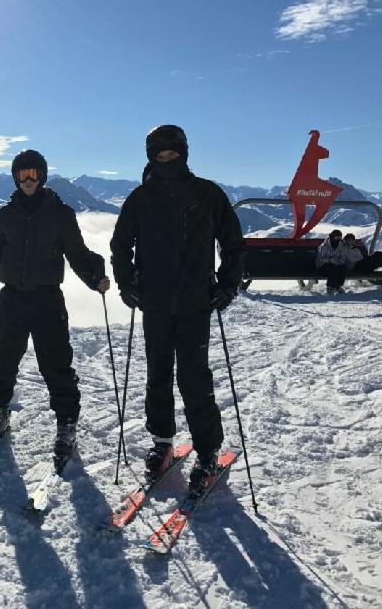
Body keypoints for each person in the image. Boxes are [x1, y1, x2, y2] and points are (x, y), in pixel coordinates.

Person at [0, 149, 109, 473]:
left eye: (33, 174)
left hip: (48, 300)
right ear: (15, 178)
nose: (28, 180)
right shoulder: (5, 216)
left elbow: (77, 254)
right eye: (22, 175)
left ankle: (66, 424)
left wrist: (95, 277)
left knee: (56, 364)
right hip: (12, 300)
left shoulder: (61, 214)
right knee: (5, 360)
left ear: (43, 176)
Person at [110, 124, 245, 493]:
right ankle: (163, 443)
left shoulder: (207, 194)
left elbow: (233, 243)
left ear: (184, 153)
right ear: (151, 156)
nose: (166, 159)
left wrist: (228, 283)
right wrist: (126, 284)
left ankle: (207, 451)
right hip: (154, 302)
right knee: (157, 375)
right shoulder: (141, 198)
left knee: (193, 377)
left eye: (172, 153)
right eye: (160, 154)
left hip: (194, 303)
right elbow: (120, 246)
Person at [315, 229, 347, 294]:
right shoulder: (325, 245)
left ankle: (338, 286)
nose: (338, 239)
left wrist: (339, 262)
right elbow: (320, 258)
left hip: (336, 264)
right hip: (322, 266)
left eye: (339, 237)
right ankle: (330, 287)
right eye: (337, 237)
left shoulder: (341, 245)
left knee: (342, 267)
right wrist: (329, 260)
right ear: (332, 237)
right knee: (333, 267)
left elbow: (343, 257)